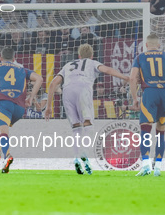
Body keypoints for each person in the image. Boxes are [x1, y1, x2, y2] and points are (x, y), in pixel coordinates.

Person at [45, 44, 129, 175]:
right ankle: (84, 154)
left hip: (67, 92)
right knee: (88, 124)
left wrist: (49, 107)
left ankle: (77, 158)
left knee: (76, 128)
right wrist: (125, 77)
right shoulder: (92, 63)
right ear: (92, 55)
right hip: (83, 89)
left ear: (78, 56)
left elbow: (52, 84)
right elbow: (107, 70)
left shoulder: (68, 65)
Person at [129, 34, 165, 177]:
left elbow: (132, 78)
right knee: (161, 130)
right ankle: (158, 167)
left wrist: (134, 99)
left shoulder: (140, 57)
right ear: (159, 45)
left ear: (146, 45)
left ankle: (146, 165)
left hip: (149, 93)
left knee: (145, 129)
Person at [0, 47, 43, 173]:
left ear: (0, 58)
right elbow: (39, 79)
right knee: (1, 129)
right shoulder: (22, 69)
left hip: (4, 104)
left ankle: (7, 155)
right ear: (14, 59)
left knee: (3, 131)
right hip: (19, 108)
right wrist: (31, 98)